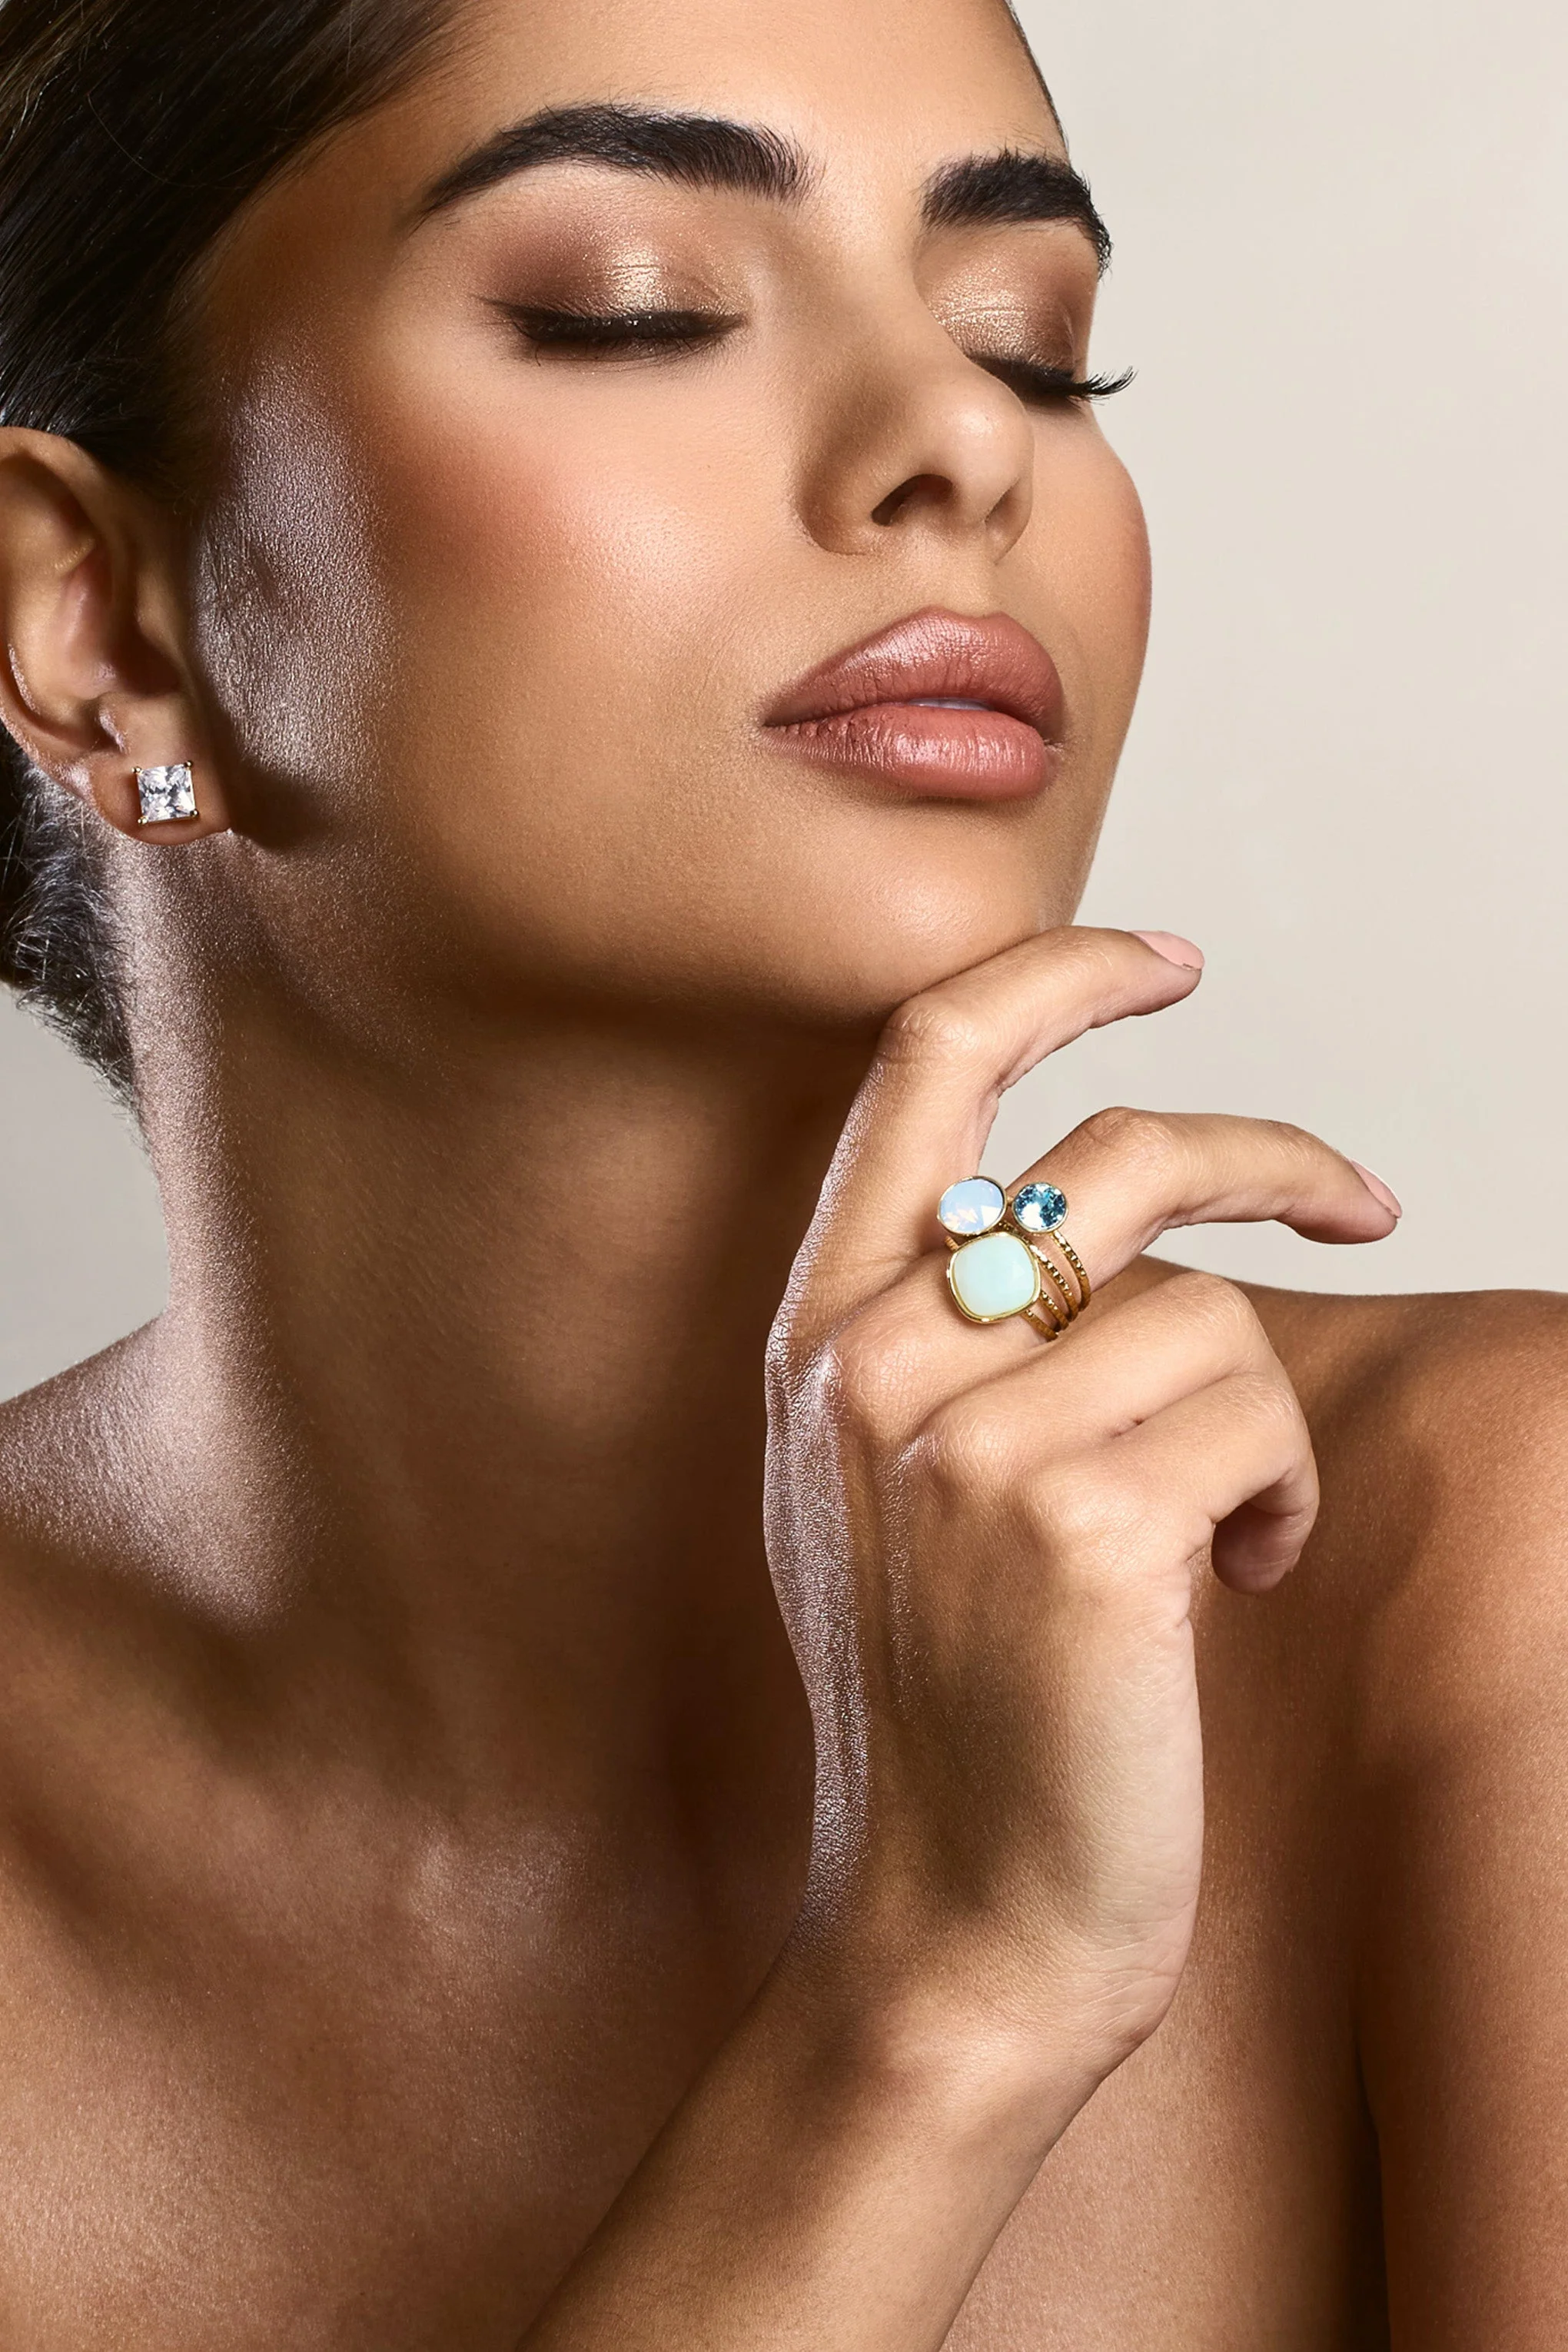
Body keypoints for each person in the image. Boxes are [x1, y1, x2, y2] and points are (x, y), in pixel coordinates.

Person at [0, 0, 1562, 2342]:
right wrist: (940, 2005)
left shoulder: (1486, 1574)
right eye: (636, 308)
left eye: (1038, 348)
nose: (965, 437)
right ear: (94, 612)